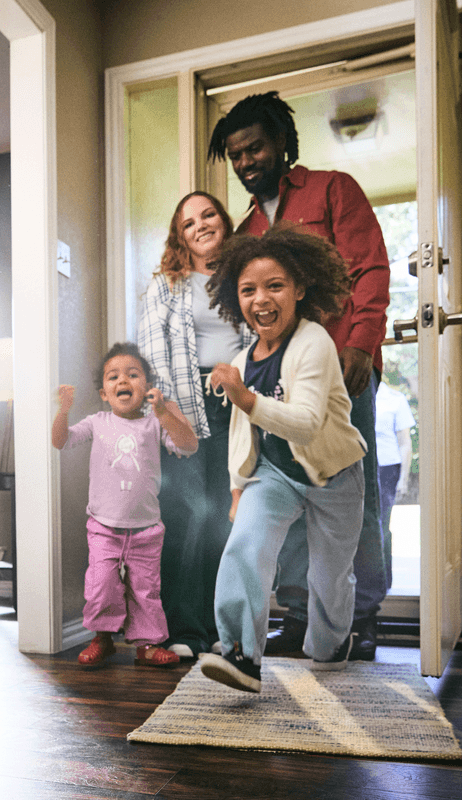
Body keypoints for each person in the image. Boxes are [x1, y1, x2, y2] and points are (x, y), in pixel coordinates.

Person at [208, 91, 390, 660]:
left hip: (341, 376)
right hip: (274, 388)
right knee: (280, 494)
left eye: (255, 148)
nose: (245, 163)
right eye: (235, 156)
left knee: (347, 500)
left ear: (283, 143)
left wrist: (361, 342)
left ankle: (359, 618)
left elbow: (370, 266)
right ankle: (298, 615)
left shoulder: (332, 190)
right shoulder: (245, 228)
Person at [199, 227, 366, 694]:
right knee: (245, 543)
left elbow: (308, 423)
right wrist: (237, 486)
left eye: (274, 286)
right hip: (275, 472)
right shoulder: (244, 355)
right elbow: (240, 432)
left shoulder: (313, 342)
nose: (261, 299)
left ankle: (329, 651)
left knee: (328, 575)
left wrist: (245, 396)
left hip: (333, 472)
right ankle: (240, 654)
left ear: (299, 289)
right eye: (248, 290)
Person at [138, 192, 255, 659]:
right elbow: (152, 350)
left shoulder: (244, 278)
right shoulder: (167, 285)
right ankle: (184, 629)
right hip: (183, 405)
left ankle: (219, 627)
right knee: (188, 515)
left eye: (208, 215)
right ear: (180, 236)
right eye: (189, 223)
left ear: (224, 223)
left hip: (237, 404)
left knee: (227, 519)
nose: (201, 225)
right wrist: (170, 411)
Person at [52, 342, 198, 668]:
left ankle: (146, 645)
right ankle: (102, 639)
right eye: (113, 376)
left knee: (146, 591)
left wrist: (164, 412)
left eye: (133, 375)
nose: (123, 381)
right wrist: (63, 411)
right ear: (104, 392)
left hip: (146, 528)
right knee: (102, 585)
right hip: (104, 526)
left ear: (146, 387)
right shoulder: (97, 422)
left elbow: (188, 445)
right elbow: (61, 441)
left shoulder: (153, 423)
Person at [374, 381, 415, 588]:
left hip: (387, 468)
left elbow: (405, 443)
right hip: (361, 465)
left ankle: (383, 580)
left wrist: (403, 479)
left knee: (382, 524)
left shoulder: (395, 400)